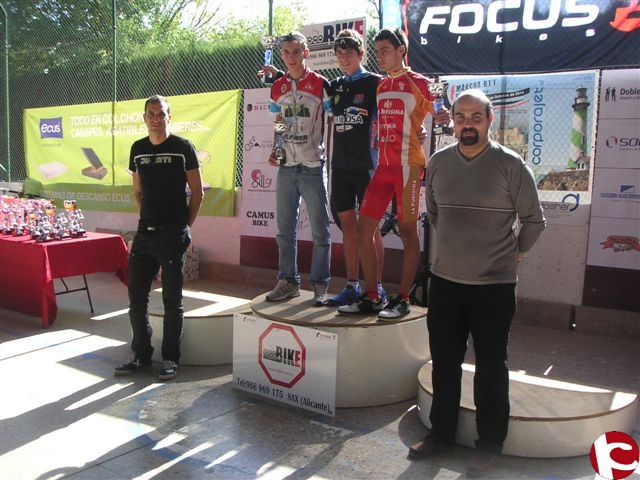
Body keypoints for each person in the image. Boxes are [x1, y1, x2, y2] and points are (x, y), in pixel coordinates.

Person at [409, 89, 546, 477]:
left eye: (475, 117)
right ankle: (441, 435)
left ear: (489, 120)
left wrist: (516, 252)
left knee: (490, 366)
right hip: (446, 283)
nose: (467, 124)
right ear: (452, 120)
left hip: (494, 287)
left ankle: (489, 445)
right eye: (460, 117)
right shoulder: (438, 163)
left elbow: (534, 222)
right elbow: (434, 213)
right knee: (444, 363)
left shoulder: (511, 165)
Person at [338, 27, 449, 320]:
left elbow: (441, 112)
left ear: (402, 50)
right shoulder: (382, 85)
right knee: (363, 231)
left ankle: (402, 298)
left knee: (407, 232)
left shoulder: (420, 83)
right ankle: (373, 295)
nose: (380, 57)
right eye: (377, 52)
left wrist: (442, 115)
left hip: (409, 167)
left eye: (385, 51)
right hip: (383, 169)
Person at [114, 94, 204, 381]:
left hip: (172, 234)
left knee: (172, 302)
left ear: (169, 117)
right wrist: (145, 220)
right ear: (144, 118)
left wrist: (183, 227)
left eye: (161, 114)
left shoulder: (183, 147)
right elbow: (137, 191)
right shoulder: (137, 149)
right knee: (136, 301)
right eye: (151, 114)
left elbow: (197, 193)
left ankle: (170, 359)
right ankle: (141, 355)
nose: (156, 119)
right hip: (144, 234)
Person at [263, 31, 332, 306]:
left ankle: (320, 286)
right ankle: (288, 281)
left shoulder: (322, 84)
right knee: (284, 231)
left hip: (313, 166)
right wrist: (276, 147)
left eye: (296, 52)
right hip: (287, 168)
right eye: (286, 52)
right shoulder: (277, 87)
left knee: (320, 232)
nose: (291, 57)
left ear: (306, 53)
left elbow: (332, 120)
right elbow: (278, 121)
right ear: (281, 55)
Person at [325, 28, 387, 306]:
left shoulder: (376, 83)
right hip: (340, 167)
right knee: (348, 227)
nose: (343, 58)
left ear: (361, 54)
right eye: (339, 54)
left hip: (367, 167)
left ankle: (377, 287)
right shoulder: (334, 85)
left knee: (370, 230)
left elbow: (396, 110)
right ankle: (352, 285)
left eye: (349, 53)